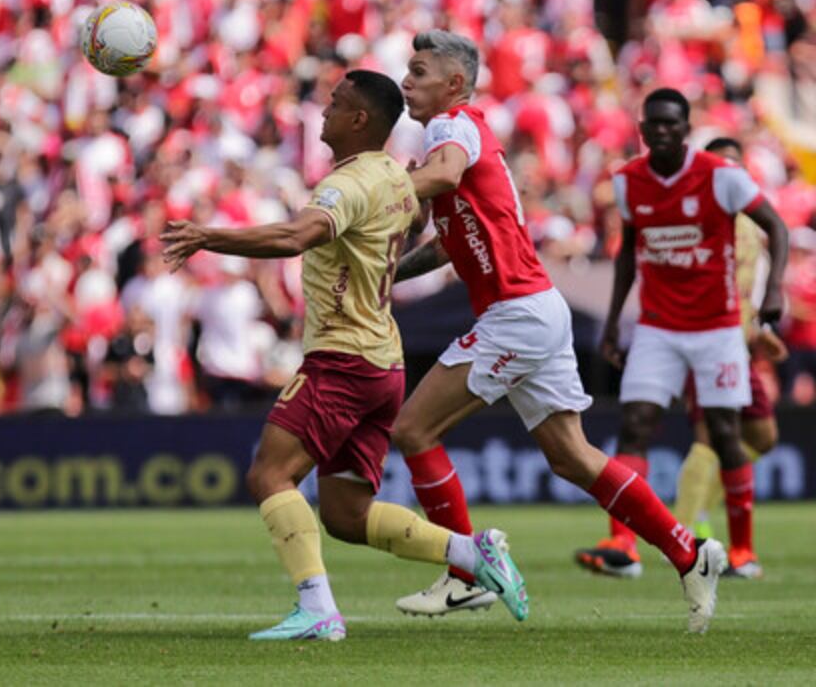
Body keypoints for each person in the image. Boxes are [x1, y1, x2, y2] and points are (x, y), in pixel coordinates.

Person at [160, 70, 528, 642]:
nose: (324, 112)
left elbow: (293, 238)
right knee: (346, 515)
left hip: (342, 359)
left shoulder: (349, 185)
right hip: (384, 363)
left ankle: (318, 610)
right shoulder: (397, 178)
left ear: (360, 120)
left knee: (269, 475)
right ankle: (471, 552)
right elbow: (417, 219)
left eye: (336, 104)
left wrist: (209, 236)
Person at [390, 32, 725, 634]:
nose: (407, 81)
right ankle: (689, 552)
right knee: (572, 457)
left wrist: (372, 193)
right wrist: (390, 272)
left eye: (418, 71)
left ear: (454, 84)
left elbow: (439, 177)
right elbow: (449, 242)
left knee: (414, 429)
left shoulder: (449, 127)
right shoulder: (467, 133)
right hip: (535, 308)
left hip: (516, 313)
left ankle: (467, 576)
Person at [575, 96, 788, 582]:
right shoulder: (628, 181)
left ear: (685, 128)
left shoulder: (720, 174)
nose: (664, 131)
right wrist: (612, 323)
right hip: (658, 325)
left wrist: (773, 290)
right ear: (643, 129)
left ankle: (743, 551)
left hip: (717, 327)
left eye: (673, 124)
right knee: (635, 425)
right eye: (655, 124)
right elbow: (630, 252)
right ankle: (622, 545)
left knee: (726, 433)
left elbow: (775, 225)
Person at [671, 137, 787, 577]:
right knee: (710, 436)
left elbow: (737, 290)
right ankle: (681, 535)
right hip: (705, 340)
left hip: (738, 341)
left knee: (762, 436)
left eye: (736, 166)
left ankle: (699, 510)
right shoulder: (699, 217)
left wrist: (757, 331)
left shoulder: (746, 222)